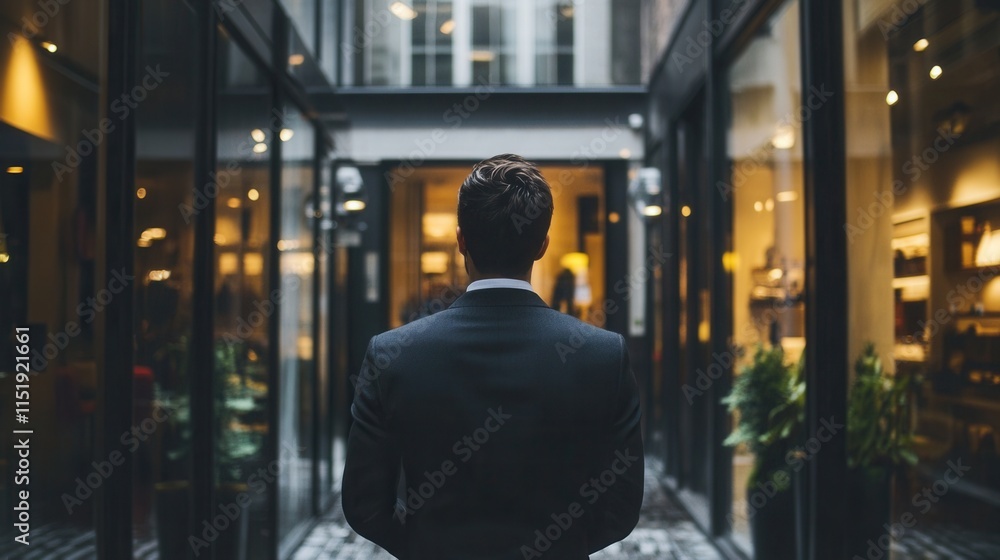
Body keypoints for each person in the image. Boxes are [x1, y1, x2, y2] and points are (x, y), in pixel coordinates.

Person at [342, 154, 644, 559]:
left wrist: (430, 546)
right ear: (542, 245)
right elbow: (620, 508)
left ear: (461, 240)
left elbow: (364, 505)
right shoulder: (604, 355)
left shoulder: (392, 354)